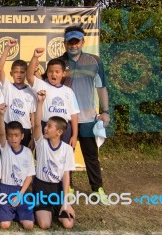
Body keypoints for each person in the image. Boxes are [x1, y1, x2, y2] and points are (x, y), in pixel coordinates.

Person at [57, 25, 110, 202]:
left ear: (83, 42)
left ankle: (97, 189)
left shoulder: (94, 61)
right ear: (65, 43)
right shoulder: (58, 63)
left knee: (91, 156)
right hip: (65, 118)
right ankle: (68, 188)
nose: (73, 45)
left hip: (87, 117)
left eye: (76, 41)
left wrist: (106, 111)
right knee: (65, 156)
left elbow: (101, 87)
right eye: (70, 42)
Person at [32, 90, 76, 229]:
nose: (46, 128)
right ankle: (42, 209)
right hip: (41, 187)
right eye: (47, 125)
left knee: (68, 224)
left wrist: (64, 201)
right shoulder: (42, 143)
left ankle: (57, 207)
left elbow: (66, 175)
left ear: (59, 132)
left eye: (49, 126)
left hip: (57, 189)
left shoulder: (67, 149)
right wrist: (40, 102)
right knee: (45, 224)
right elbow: (38, 124)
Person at [26, 48, 79, 149]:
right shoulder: (42, 86)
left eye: (57, 72)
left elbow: (74, 115)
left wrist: (74, 135)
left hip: (64, 130)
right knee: (43, 159)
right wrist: (35, 57)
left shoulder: (69, 91)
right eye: (51, 71)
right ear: (47, 72)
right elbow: (29, 76)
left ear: (63, 73)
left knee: (62, 161)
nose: (53, 74)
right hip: (45, 128)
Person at [0, 103, 35, 230]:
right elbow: (1, 132)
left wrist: (20, 195)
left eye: (17, 135)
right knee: (5, 225)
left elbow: (29, 176)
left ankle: (18, 212)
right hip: (5, 189)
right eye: (10, 135)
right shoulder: (5, 147)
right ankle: (7, 212)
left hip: (21, 190)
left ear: (22, 136)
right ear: (7, 137)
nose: (13, 138)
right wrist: (1, 116)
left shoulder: (28, 152)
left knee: (29, 225)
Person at [0, 38, 37, 148]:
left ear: (27, 73)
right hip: (8, 128)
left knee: (23, 160)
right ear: (11, 73)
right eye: (16, 72)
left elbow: (33, 118)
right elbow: (0, 68)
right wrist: (8, 48)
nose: (19, 75)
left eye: (22, 72)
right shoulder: (7, 87)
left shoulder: (31, 91)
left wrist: (33, 138)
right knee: (7, 159)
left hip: (25, 130)